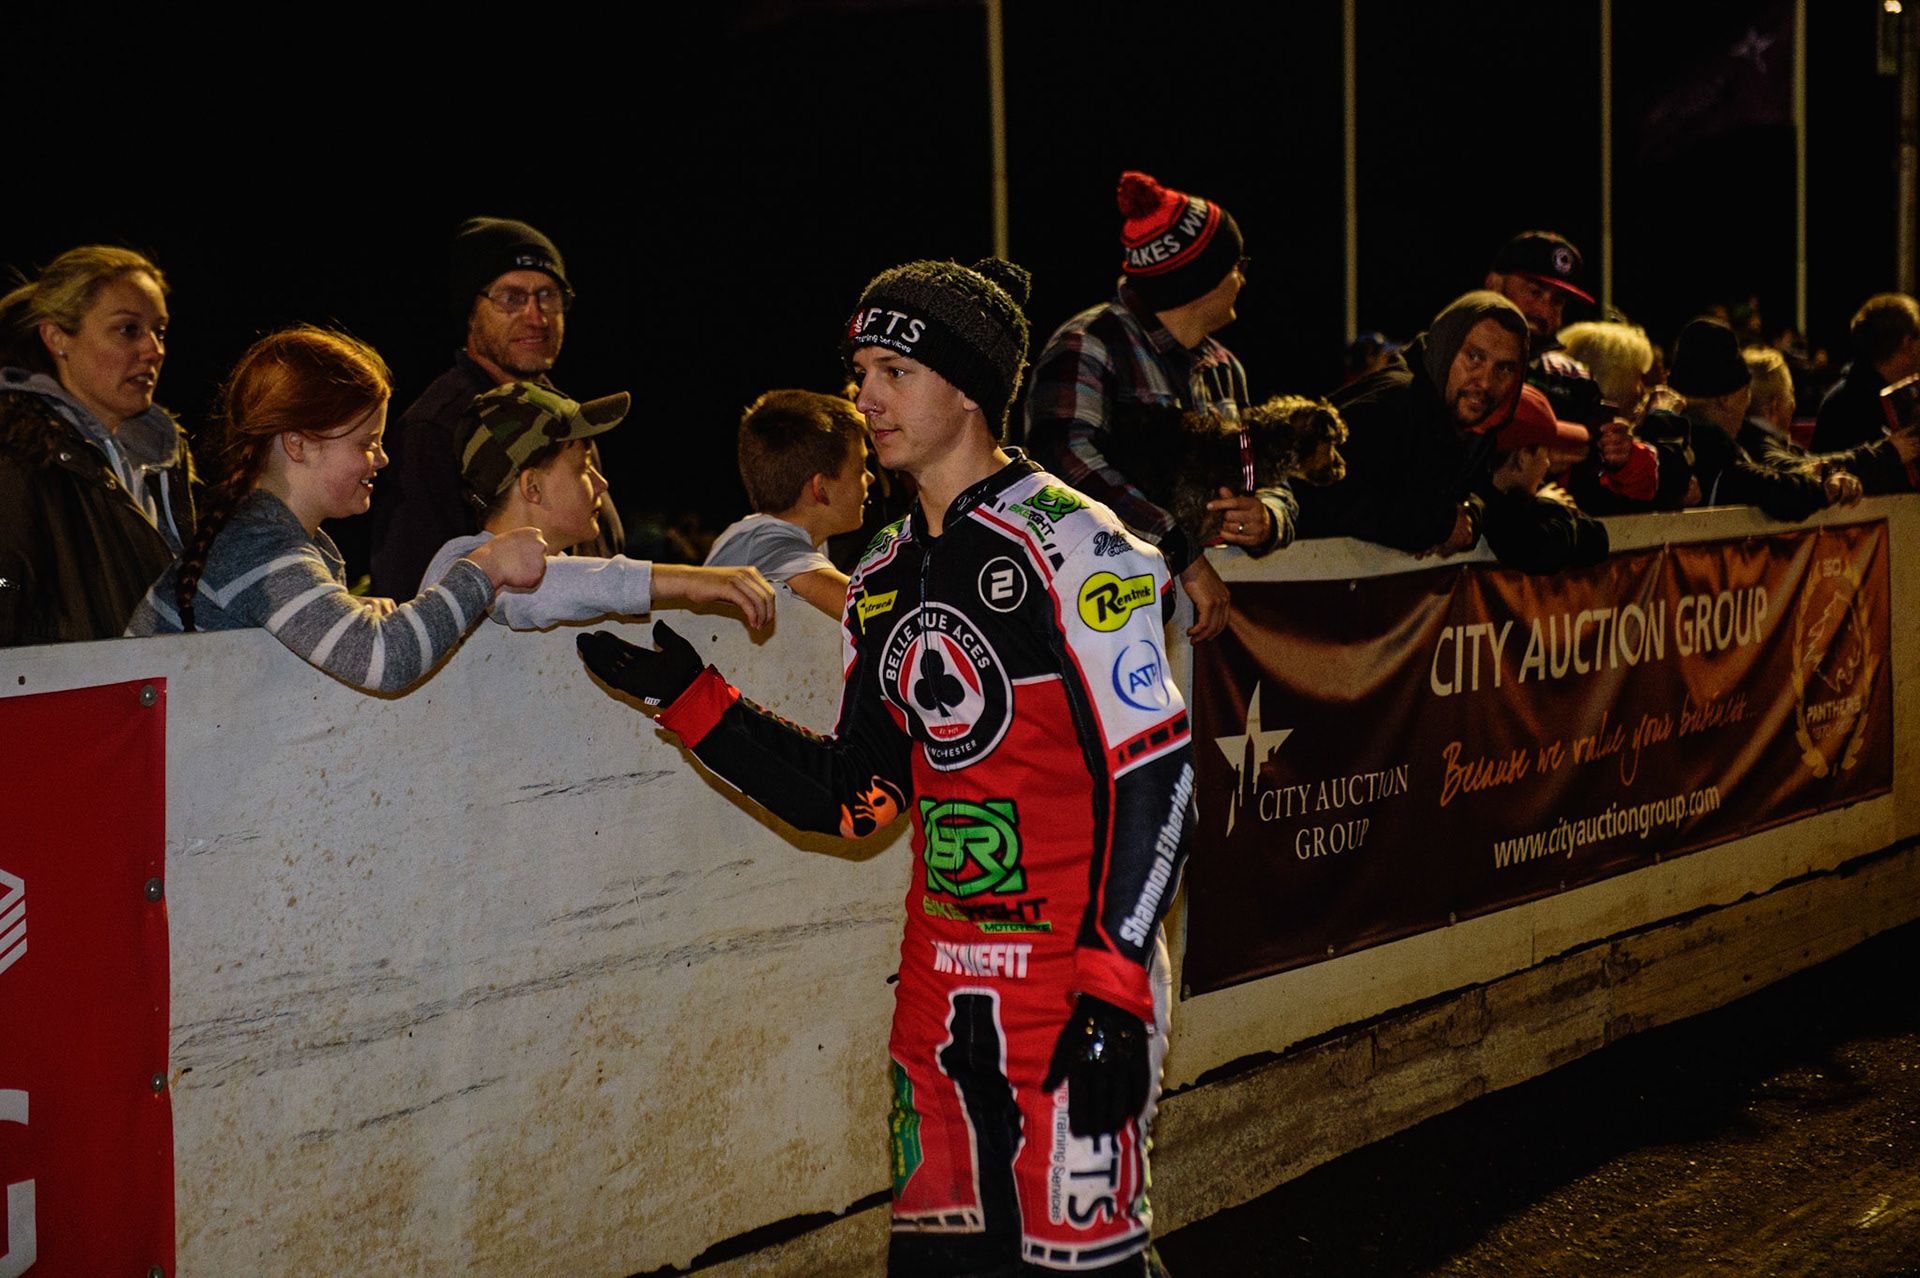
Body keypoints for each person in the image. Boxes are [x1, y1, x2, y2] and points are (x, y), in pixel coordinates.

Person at [579, 257, 1191, 1278]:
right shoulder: (881, 576)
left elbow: (1157, 777)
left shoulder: (1081, 545)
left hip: (1072, 984)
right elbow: (855, 801)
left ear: (969, 388)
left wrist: (1117, 986)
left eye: (894, 370)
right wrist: (697, 705)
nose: (866, 397)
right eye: (861, 368)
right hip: (941, 1003)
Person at [128, 328, 547, 691]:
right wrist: (486, 566)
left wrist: (341, 614)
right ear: (298, 444)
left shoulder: (272, 540)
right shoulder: (260, 550)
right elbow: (384, 659)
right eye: (366, 443)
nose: (382, 459)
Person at [1025, 170, 1291, 643]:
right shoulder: (1088, 344)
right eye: (1237, 264)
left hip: (1211, 645)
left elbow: (1269, 474)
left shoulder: (1226, 367)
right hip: (1103, 626)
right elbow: (1062, 471)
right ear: (1200, 280)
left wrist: (1267, 515)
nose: (1244, 278)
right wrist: (1180, 548)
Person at [369, 216, 623, 596]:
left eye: (548, 296)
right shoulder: (435, 429)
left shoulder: (569, 418)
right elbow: (411, 593)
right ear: (470, 312)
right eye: (512, 298)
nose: (536, 318)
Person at [420, 381, 775, 629]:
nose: (602, 484)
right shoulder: (458, 566)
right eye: (582, 468)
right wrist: (688, 580)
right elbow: (545, 588)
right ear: (532, 487)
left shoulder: (565, 576)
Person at [0, 246, 194, 645]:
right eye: (128, 330)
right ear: (56, 338)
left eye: (160, 331)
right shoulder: (18, 455)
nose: (154, 350)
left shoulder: (165, 464)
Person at [1296, 291, 1530, 557]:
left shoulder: (1473, 425)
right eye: (1474, 358)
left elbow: (1476, 494)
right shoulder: (1393, 402)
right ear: (1446, 346)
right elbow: (1320, 497)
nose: (1486, 382)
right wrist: (1437, 524)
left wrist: (1469, 517)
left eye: (1504, 369)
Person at [1671, 318, 1860, 520]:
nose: (1746, 407)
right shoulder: (1712, 449)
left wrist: (1826, 472)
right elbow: (1765, 485)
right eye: (1744, 394)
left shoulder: (1670, 436)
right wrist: (1822, 488)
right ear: (1724, 399)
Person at [708, 389, 872, 618]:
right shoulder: (769, 545)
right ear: (821, 488)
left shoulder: (759, 536)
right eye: (860, 469)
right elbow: (872, 614)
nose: (871, 477)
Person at [1480, 385, 1609, 574]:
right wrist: (1552, 506)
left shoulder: (1522, 496)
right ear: (1522, 458)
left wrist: (1546, 506)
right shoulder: (1484, 502)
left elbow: (1596, 541)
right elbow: (1537, 551)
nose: (1548, 463)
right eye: (1546, 451)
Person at [1809, 293, 1920, 493]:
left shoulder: (1898, 397)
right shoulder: (1849, 402)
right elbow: (1830, 469)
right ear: (1907, 341)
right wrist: (1889, 455)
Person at [1484, 231, 1592, 348]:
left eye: (1557, 301)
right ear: (1493, 285)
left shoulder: (1561, 365)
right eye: (1535, 292)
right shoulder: (1462, 352)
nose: (1544, 312)